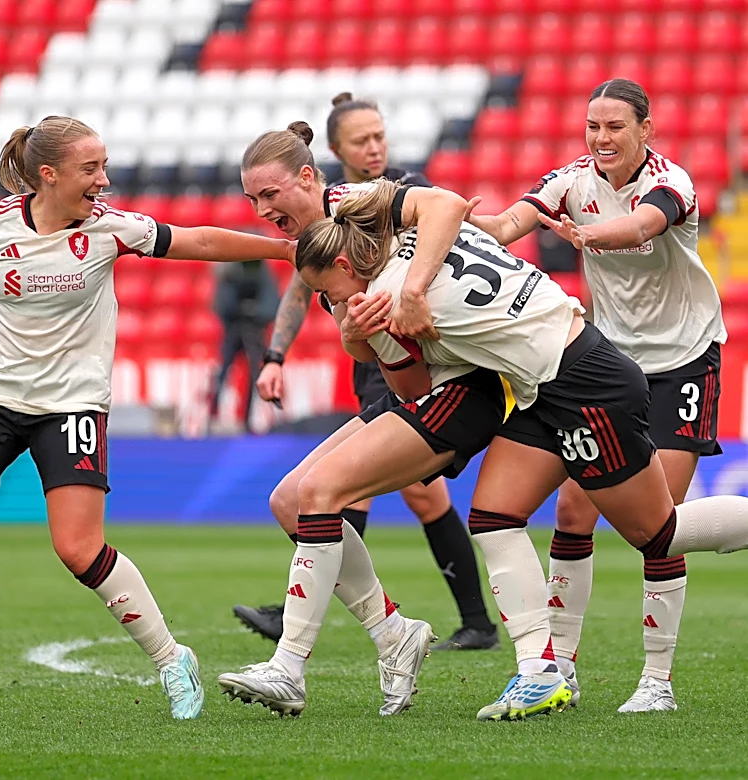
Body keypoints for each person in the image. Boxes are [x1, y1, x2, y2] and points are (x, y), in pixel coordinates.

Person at [244, 177, 748, 724]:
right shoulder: (423, 234)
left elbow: (413, 391)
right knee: (494, 516)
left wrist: (359, 337)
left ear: (346, 264)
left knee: (658, 533)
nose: (341, 307)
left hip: (584, 384)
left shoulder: (380, 298)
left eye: (334, 295)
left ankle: (538, 667)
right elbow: (446, 207)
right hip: (549, 376)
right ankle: (539, 672)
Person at [0, 116, 295, 720]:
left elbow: (199, 243)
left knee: (78, 550)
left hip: (70, 405)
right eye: (91, 169)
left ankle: (172, 659)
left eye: (104, 166)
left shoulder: (109, 228)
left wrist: (282, 248)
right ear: (49, 175)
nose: (104, 179)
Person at [465, 78, 726, 713]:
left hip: (683, 362)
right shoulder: (570, 181)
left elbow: (643, 223)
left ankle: (657, 682)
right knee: (573, 511)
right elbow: (510, 223)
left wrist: (591, 237)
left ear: (645, 130)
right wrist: (471, 223)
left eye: (614, 127)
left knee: (660, 527)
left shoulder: (672, 181)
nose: (601, 138)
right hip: (608, 367)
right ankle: (560, 669)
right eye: (593, 126)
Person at [218, 150, 510, 717]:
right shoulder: (312, 243)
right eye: (252, 200)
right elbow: (349, 333)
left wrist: (417, 288)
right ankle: (392, 632)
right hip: (400, 379)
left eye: (270, 195)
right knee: (290, 501)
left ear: (308, 177)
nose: (262, 211)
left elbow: (445, 207)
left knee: (326, 495)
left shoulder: (356, 204)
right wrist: (334, 339)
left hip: (445, 382)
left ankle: (290, 665)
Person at [208, 258, 280, 430]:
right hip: (233, 330)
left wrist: (254, 312)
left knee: (256, 373)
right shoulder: (229, 273)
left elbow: (271, 305)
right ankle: (211, 418)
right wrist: (242, 308)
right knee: (222, 374)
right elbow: (222, 305)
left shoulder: (262, 272)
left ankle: (250, 420)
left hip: (254, 331)